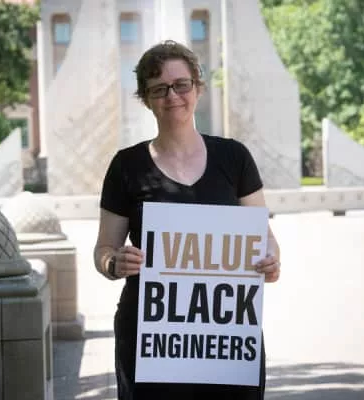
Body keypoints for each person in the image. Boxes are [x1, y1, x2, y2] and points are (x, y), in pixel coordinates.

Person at [93, 40, 281, 400]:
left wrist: (271, 261)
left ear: (198, 88)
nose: (172, 96)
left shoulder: (235, 158)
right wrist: (114, 262)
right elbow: (104, 249)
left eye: (181, 84)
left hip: (226, 337)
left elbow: (265, 237)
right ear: (146, 99)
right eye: (159, 88)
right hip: (150, 339)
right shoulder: (126, 166)